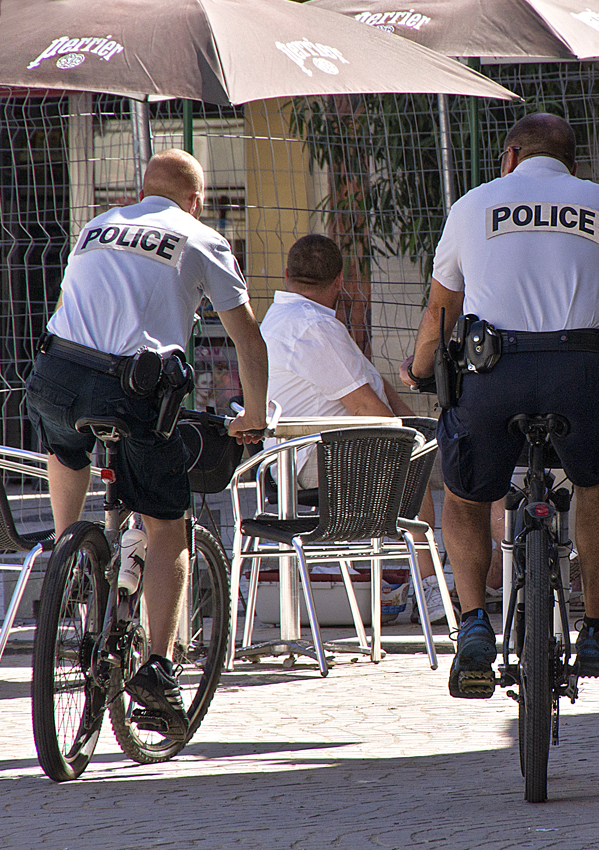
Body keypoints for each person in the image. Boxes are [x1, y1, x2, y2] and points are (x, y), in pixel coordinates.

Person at [400, 113, 599, 698]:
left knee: (467, 493)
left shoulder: (474, 205)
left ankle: (474, 626)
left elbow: (440, 309)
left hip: (493, 372)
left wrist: (421, 368)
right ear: (572, 166)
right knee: (598, 482)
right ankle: (598, 627)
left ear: (510, 157)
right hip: (583, 373)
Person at [26, 149, 269, 740]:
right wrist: (255, 415)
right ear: (197, 198)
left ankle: (69, 558)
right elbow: (247, 337)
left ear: (141, 192)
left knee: (67, 447)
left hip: (54, 376)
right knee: (166, 526)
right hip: (132, 392)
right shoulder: (201, 237)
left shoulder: (94, 226)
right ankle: (158, 669)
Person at [259, 233, 448, 624]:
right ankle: (431, 587)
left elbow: (368, 384)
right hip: (312, 460)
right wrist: (412, 440)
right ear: (340, 280)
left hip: (302, 454)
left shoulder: (287, 317)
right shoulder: (312, 326)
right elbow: (366, 406)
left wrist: (413, 425)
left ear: (286, 273)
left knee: (414, 450)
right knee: (413, 467)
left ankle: (422, 581)